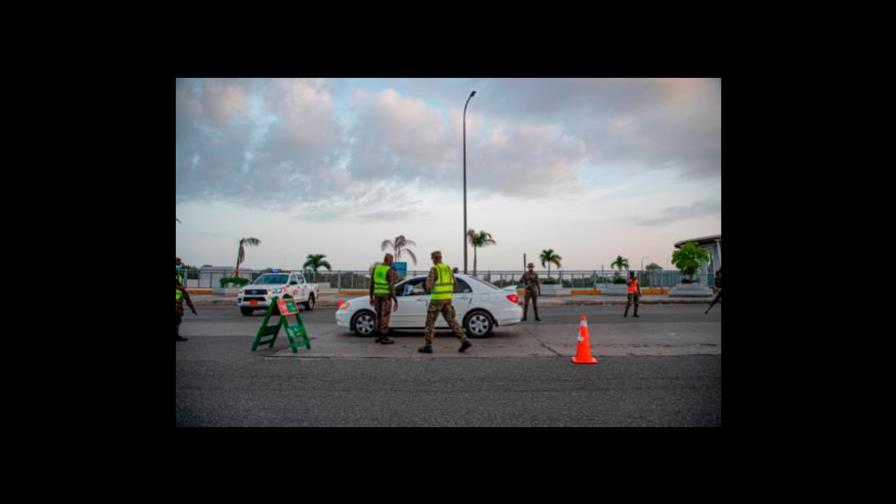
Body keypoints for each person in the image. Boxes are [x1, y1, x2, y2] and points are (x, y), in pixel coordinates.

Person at [419, 250, 472, 354]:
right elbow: (455, 283)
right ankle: (464, 340)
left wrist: (428, 286)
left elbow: (429, 286)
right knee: (451, 321)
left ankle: (428, 346)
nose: (432, 261)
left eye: (432, 259)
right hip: (448, 299)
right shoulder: (448, 268)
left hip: (436, 300)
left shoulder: (434, 269)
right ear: (441, 258)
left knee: (430, 323)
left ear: (434, 259)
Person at [370, 253, 399, 344]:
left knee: (378, 315)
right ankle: (384, 337)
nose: (392, 262)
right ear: (389, 260)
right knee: (385, 316)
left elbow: (371, 284)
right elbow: (391, 286)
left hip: (377, 295)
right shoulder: (389, 270)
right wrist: (395, 300)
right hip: (386, 296)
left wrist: (371, 297)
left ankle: (378, 337)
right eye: (392, 260)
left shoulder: (376, 268)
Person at [176, 274, 197, 341]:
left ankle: (176, 336)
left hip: (178, 307)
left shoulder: (181, 289)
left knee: (178, 321)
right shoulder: (181, 288)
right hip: (177, 307)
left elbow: (187, 299)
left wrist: (192, 308)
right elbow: (188, 299)